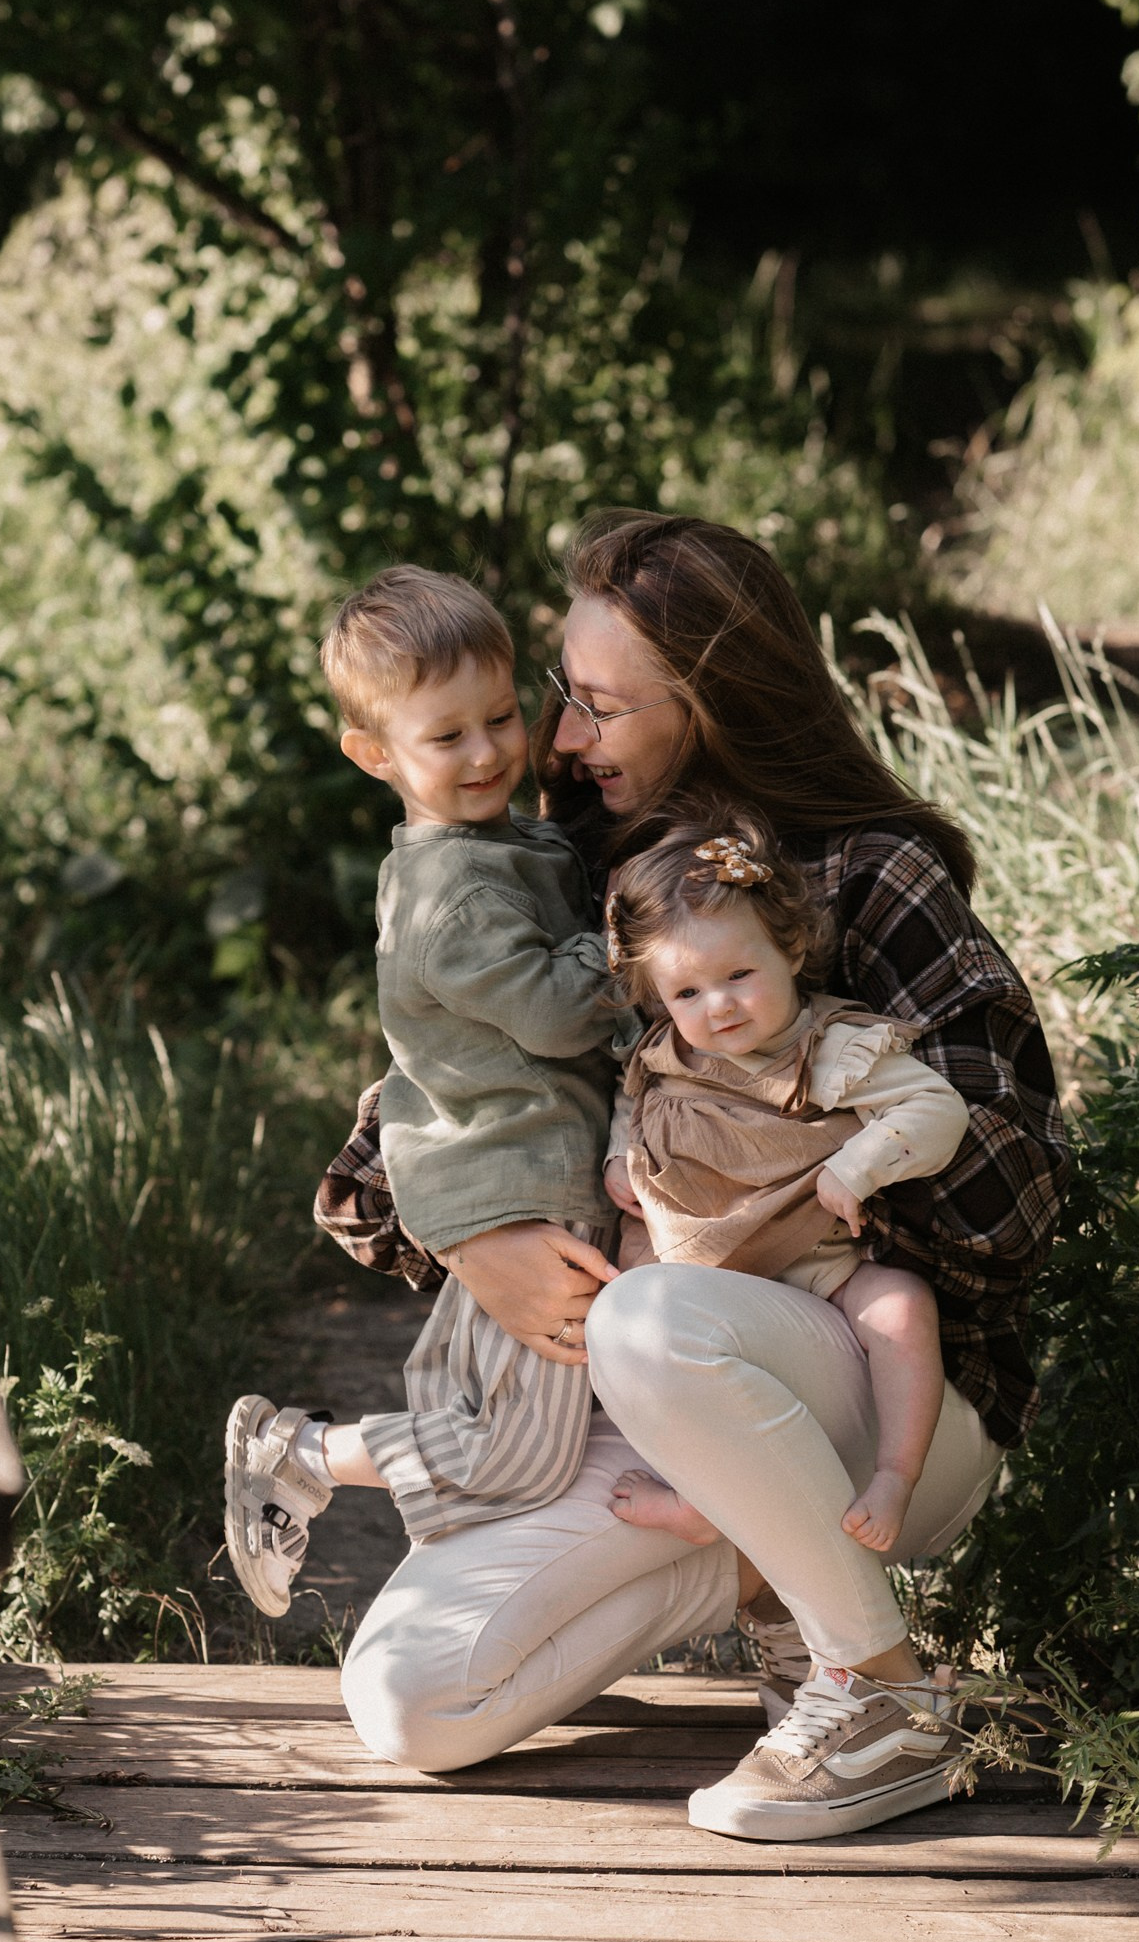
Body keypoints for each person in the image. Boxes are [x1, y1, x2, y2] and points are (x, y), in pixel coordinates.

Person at [313, 509, 1071, 1843]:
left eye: (597, 706)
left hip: (887, 1394)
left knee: (648, 1317)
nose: (558, 741)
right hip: (661, 1403)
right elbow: (370, 1176)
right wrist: (471, 1234)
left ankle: (880, 1693)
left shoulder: (868, 874)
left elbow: (1024, 1200)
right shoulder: (575, 871)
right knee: (411, 1702)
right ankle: (784, 1588)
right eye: (561, 696)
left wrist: (784, 1138)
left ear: (713, 699)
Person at [222, 565, 633, 1616]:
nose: (487, 752)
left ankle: (466, 1607)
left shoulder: (505, 842)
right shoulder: (452, 894)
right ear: (374, 754)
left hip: (521, 1165)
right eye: (446, 736)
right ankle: (301, 1455)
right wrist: (633, 940)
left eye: (500, 718)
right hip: (521, 1187)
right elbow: (556, 1012)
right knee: (517, 1453)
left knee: (491, 1416)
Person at [600, 821, 966, 1561]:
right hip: (698, 1274)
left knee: (901, 1305)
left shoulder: (830, 1050)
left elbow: (938, 1108)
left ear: (791, 949)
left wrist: (857, 1166)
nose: (718, 1007)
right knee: (630, 1327)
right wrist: (618, 1155)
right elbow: (631, 1101)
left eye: (739, 974)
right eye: (687, 991)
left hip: (819, 1271)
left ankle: (895, 1475)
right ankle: (701, 1496)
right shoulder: (664, 1055)